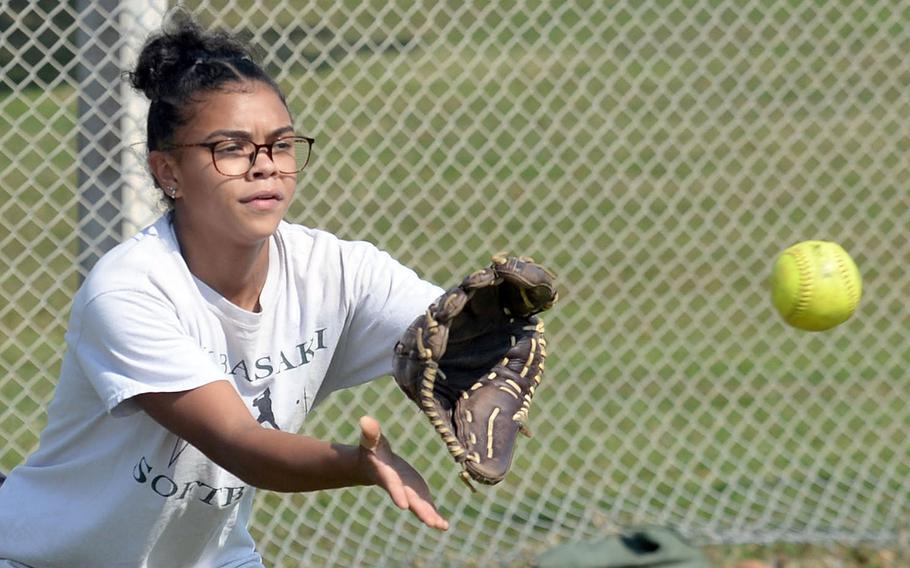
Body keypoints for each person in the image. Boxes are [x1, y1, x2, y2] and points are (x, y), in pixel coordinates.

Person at [0, 14, 450, 568]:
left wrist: (495, 335)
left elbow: (457, 327)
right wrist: (355, 464)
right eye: (231, 148)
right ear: (168, 173)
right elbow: (240, 443)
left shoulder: (336, 269)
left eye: (281, 145)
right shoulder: (129, 291)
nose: (265, 168)